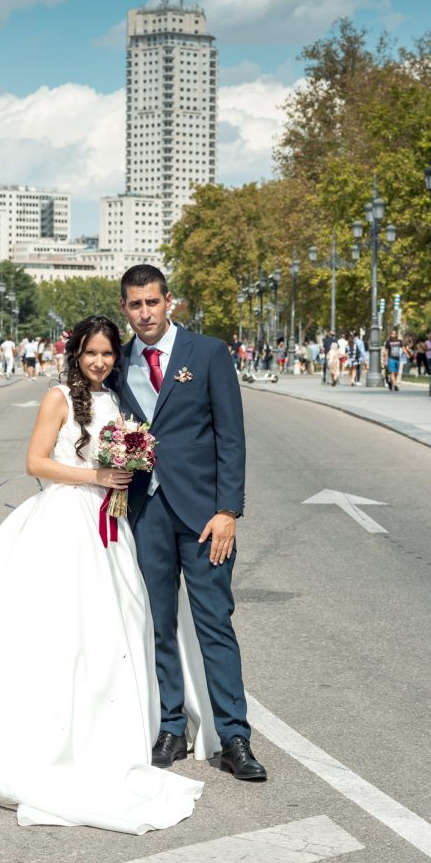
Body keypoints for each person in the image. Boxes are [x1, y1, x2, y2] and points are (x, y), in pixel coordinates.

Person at [0, 316, 210, 833]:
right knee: (64, 629)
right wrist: (96, 476)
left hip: (109, 523)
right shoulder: (59, 397)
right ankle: (56, 733)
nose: (100, 362)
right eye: (91, 354)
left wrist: (124, 473)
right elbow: (36, 462)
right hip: (65, 518)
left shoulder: (117, 400)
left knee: (114, 627)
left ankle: (108, 730)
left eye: (107, 353)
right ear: (75, 354)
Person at [108, 265, 266, 783]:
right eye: (135, 305)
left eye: (152, 302)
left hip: (203, 517)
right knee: (157, 624)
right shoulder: (119, 363)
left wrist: (229, 511)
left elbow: (231, 438)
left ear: (168, 301)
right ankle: (171, 726)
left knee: (214, 623)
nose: (145, 313)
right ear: (125, 308)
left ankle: (234, 737)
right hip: (145, 513)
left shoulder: (207, 353)